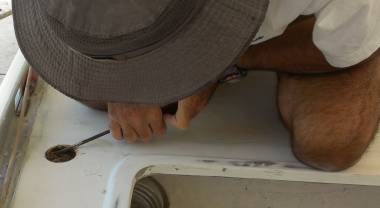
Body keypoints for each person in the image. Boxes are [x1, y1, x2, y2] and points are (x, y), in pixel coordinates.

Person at [13, 0, 380, 171]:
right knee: (85, 93)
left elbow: (347, 52)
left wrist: (217, 68)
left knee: (330, 142)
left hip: (326, 26)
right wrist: (123, 86)